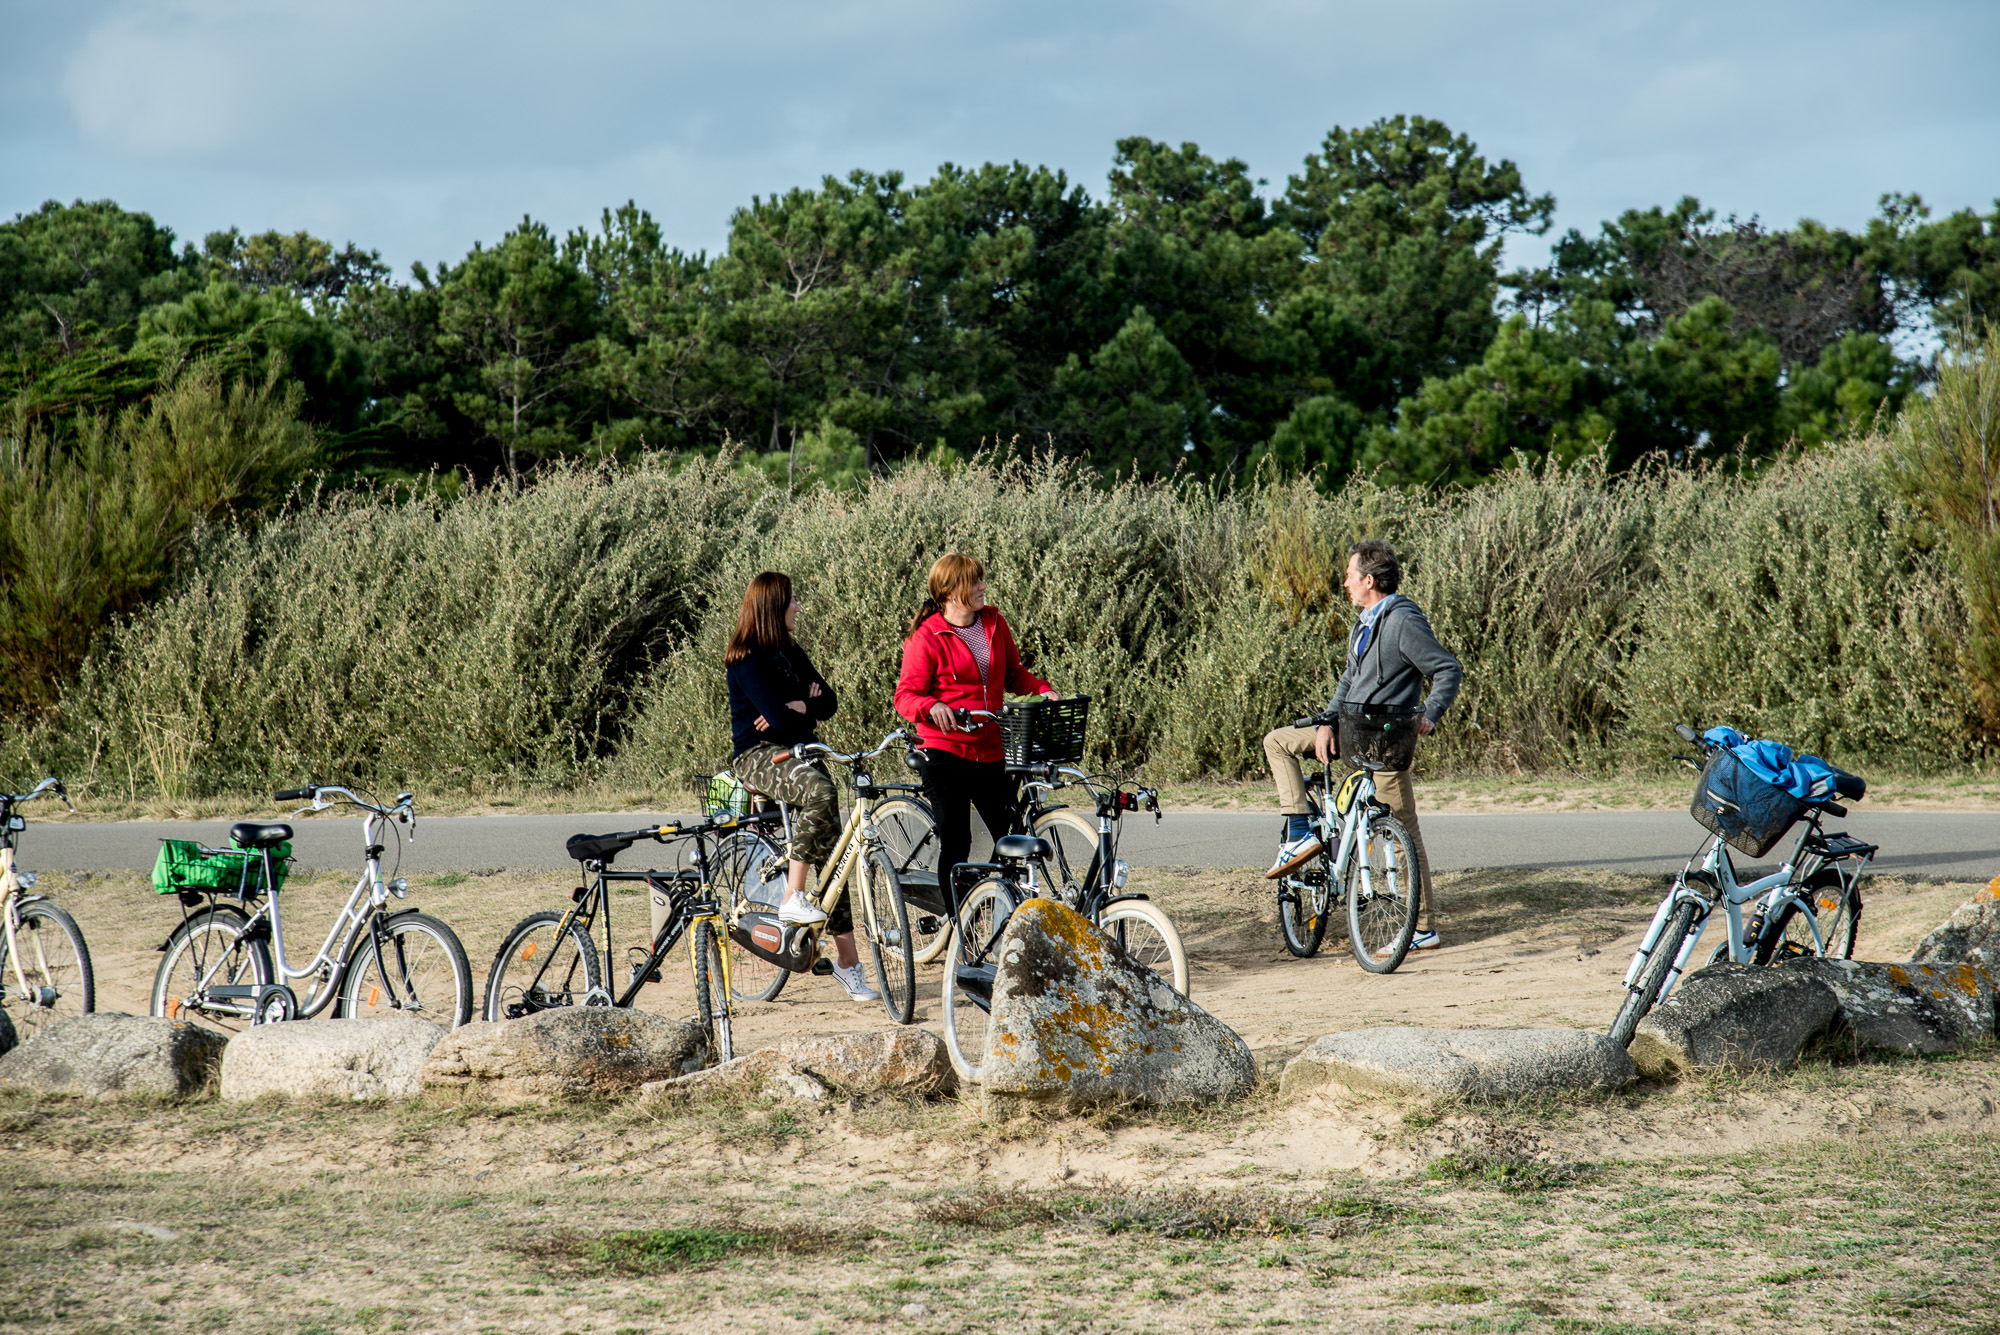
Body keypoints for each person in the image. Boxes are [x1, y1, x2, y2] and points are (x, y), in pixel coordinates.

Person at [1262, 539, 1460, 950]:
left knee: (1405, 831)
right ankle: (1300, 830)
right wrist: (1326, 723)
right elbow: (1350, 681)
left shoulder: (1403, 621)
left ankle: (1422, 927)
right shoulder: (1366, 621)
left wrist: (1430, 714)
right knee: (1278, 742)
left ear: (1369, 580)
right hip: (1350, 732)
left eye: (1351, 576)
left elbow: (1446, 669)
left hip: (1386, 744)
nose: (1346, 583)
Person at [721, 571, 877, 1002]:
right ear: (773, 606)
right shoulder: (745, 658)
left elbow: (830, 702)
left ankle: (848, 965)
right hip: (758, 756)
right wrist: (797, 710)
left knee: (835, 852)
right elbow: (778, 717)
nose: (798, 608)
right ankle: (792, 895)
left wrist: (800, 705)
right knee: (823, 794)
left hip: (798, 753)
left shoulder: (789, 651)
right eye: (792, 601)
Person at [893, 554, 1054, 908]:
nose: (983, 586)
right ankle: (958, 929)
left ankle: (998, 907)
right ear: (950, 592)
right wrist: (931, 706)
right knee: (957, 841)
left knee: (1011, 837)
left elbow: (1013, 674)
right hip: (943, 748)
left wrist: (1041, 688)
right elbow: (905, 696)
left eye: (981, 580)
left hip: (990, 748)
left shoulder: (994, 623)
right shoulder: (927, 636)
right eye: (974, 582)